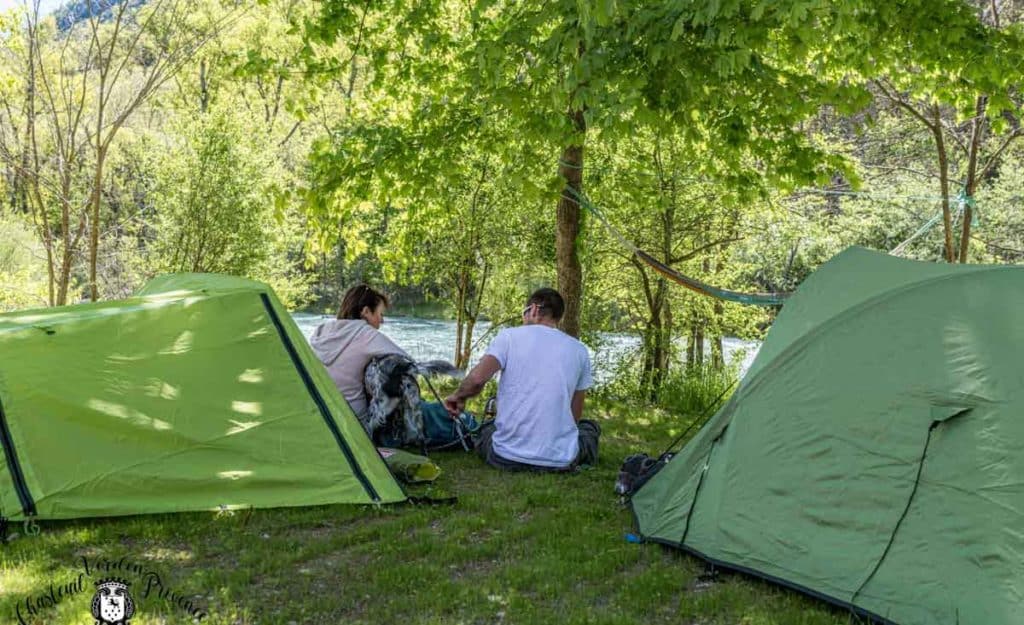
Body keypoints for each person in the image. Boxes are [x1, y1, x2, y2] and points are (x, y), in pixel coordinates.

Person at [443, 288, 600, 471]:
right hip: (560, 462)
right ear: (558, 317)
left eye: (524, 313)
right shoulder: (579, 350)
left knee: (487, 429)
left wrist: (459, 397)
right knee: (589, 428)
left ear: (533, 309)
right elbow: (575, 413)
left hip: (505, 458)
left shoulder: (509, 336)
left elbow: (477, 379)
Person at [310, 284, 408, 422]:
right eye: (380, 314)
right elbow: (408, 362)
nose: (382, 320)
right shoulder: (365, 333)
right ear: (366, 311)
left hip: (322, 416)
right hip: (355, 422)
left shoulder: (321, 331)